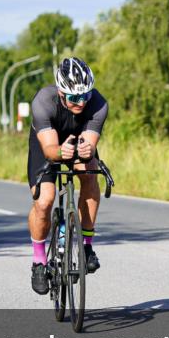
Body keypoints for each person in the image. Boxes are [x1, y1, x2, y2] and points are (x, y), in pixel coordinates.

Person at [27, 57, 108, 295]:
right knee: (44, 201)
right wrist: (61, 152)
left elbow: (90, 144)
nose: (81, 102)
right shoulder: (43, 102)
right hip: (48, 145)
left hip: (79, 140)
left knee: (90, 175)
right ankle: (39, 262)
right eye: (74, 97)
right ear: (61, 92)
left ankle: (87, 246)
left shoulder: (98, 104)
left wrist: (87, 151)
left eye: (85, 95)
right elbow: (50, 150)